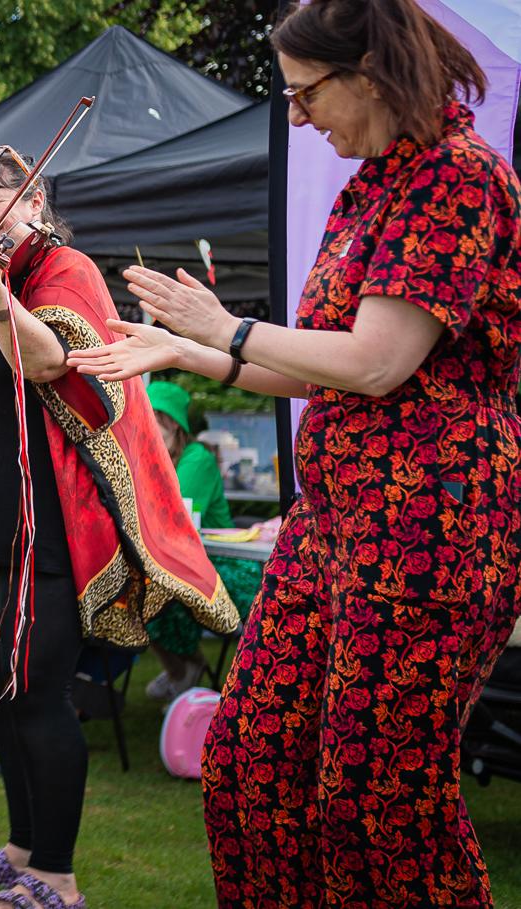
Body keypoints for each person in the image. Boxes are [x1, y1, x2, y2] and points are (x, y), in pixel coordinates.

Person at [67, 2, 521, 903]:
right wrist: (185, 349)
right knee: (248, 765)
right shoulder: (367, 190)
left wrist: (227, 326)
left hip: (428, 526)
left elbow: (379, 361)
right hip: (334, 524)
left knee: (376, 804)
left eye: (303, 93)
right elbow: (314, 365)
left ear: (370, 72)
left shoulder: (461, 178)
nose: (297, 116)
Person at [0, 146, 234, 909]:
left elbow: (48, 364)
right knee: (3, 695)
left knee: (37, 694)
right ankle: (19, 849)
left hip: (49, 525)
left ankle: (58, 879)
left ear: (33, 204)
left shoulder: (63, 270)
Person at [143, 381, 261, 701]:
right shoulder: (154, 459)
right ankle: (181, 668)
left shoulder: (196, 458)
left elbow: (168, 516)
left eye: (158, 421)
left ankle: (186, 669)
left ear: (174, 425)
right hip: (181, 561)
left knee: (160, 596)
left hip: (224, 564)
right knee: (137, 593)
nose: (150, 431)